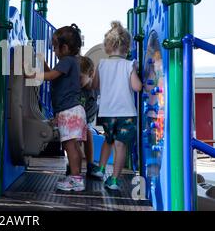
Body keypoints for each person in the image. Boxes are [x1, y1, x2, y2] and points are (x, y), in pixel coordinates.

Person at [26, 24, 86, 191]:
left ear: (64, 47)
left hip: (69, 111)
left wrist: (33, 75)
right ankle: (75, 176)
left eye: (54, 47)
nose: (54, 50)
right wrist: (41, 61)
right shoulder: (70, 62)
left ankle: (76, 178)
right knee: (73, 146)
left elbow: (51, 75)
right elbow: (54, 74)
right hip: (72, 111)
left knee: (69, 146)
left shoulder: (67, 61)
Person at [90, 21, 142, 190]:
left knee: (108, 139)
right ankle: (114, 179)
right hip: (126, 113)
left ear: (107, 47)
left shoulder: (102, 64)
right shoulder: (129, 65)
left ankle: (101, 168)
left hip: (106, 112)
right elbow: (137, 87)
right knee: (120, 145)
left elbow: (94, 85)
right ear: (127, 48)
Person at [79, 56, 98, 177]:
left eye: (80, 77)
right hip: (77, 115)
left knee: (87, 133)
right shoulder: (77, 87)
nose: (76, 80)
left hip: (87, 115)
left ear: (90, 74)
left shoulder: (94, 89)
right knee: (73, 140)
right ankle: (74, 163)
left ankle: (90, 164)